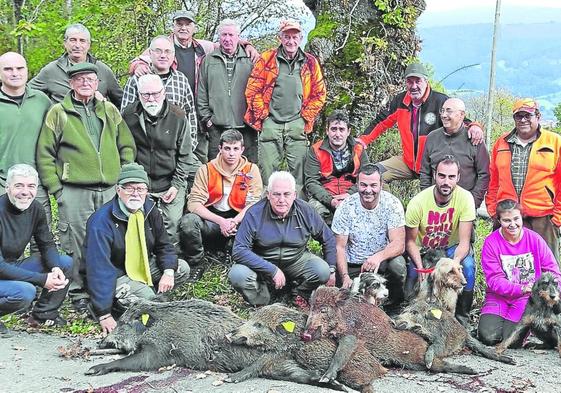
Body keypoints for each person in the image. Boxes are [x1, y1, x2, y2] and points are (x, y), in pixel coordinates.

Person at [36, 62, 136, 314]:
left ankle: (109, 291)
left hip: (111, 190)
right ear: (71, 83)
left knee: (113, 241)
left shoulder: (109, 110)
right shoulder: (58, 113)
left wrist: (123, 178)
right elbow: (45, 154)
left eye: (90, 79)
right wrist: (57, 189)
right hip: (75, 190)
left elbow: (126, 145)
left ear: (97, 83)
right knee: (78, 243)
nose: (85, 83)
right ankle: (79, 293)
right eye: (79, 79)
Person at [129, 11, 259, 163]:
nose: (183, 28)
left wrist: (247, 45)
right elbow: (142, 59)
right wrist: (137, 64)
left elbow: (228, 42)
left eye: (187, 24)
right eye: (179, 24)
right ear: (173, 27)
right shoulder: (164, 46)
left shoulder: (203, 47)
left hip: (194, 114)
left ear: (194, 28)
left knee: (197, 160)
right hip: (165, 112)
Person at [85, 163, 190, 335]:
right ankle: (116, 304)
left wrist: (168, 272)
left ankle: (137, 299)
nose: (136, 193)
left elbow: (164, 244)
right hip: (117, 274)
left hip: (143, 266)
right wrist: (103, 314)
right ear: (118, 190)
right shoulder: (101, 222)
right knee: (149, 301)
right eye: (129, 188)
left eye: (141, 189)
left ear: (147, 191)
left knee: (181, 268)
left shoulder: (149, 209)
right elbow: (98, 269)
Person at [358, 63, 483, 184]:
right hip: (408, 163)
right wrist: (363, 141)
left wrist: (474, 126)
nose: (414, 86)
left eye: (418, 81)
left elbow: (459, 119)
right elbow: (381, 121)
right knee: (373, 176)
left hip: (433, 165)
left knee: (435, 194)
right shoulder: (400, 101)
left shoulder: (439, 101)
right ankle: (392, 206)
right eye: (410, 81)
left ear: (426, 81)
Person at [229, 171, 336, 307]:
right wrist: (271, 269)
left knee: (322, 270)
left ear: (294, 195)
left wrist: (332, 268)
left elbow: (328, 238)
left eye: (286, 194)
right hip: (262, 261)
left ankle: (299, 293)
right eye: (276, 194)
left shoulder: (306, 211)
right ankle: (262, 299)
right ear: (268, 195)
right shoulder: (254, 213)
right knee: (238, 274)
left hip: (296, 259)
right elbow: (239, 250)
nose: (281, 200)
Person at [244, 20, 327, 193]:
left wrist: (304, 117)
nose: (291, 41)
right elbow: (253, 90)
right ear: (280, 38)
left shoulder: (310, 62)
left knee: (300, 175)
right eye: (287, 37)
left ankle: (298, 212)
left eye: (294, 37)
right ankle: (267, 211)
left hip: (297, 124)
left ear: (301, 38)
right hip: (271, 123)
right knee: (267, 174)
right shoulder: (267, 59)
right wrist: (264, 116)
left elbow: (320, 94)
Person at [122, 74, 194, 246]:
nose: (151, 98)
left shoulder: (178, 117)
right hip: (140, 182)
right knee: (138, 220)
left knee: (172, 223)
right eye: (146, 94)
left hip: (170, 181)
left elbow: (185, 156)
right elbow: (124, 152)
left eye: (155, 93)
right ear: (139, 94)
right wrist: (136, 185)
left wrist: (176, 186)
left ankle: (172, 260)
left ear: (164, 93)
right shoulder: (129, 115)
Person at [180, 130, 262, 281]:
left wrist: (234, 221)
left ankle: (233, 254)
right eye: (227, 149)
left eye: (236, 149)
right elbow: (193, 203)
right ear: (220, 149)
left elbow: (254, 203)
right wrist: (221, 222)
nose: (231, 153)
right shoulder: (206, 169)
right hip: (212, 220)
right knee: (188, 221)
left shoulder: (251, 170)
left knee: (256, 220)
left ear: (242, 150)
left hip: (237, 220)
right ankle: (196, 263)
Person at [486, 98, 561, 263]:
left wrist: (557, 217)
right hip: (508, 217)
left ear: (538, 116)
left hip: (543, 219)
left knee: (547, 273)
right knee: (507, 267)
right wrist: (493, 210)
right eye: (518, 116)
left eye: (528, 115)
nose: (523, 120)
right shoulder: (501, 143)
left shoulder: (555, 142)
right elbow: (493, 181)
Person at [0, 164, 72, 335]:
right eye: (19, 185)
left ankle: (44, 314)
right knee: (25, 292)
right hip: (2, 267)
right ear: (7, 187)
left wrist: (54, 268)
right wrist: (42, 279)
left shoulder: (36, 208)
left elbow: (46, 243)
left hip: (10, 265)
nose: (25, 192)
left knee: (64, 263)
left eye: (31, 186)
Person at [477, 199, 561, 345]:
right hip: (499, 296)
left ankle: (530, 330)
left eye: (516, 219)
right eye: (506, 220)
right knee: (488, 338)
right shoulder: (491, 242)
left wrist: (547, 291)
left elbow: (553, 271)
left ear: (521, 217)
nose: (512, 224)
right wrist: (519, 288)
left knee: (513, 341)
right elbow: (494, 279)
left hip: (527, 297)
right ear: (499, 220)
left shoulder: (535, 239)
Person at [405, 156, 476, 326]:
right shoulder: (418, 202)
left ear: (458, 177)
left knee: (467, 268)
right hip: (425, 250)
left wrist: (454, 265)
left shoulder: (465, 198)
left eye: (451, 177)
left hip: (452, 248)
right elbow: (410, 242)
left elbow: (464, 241)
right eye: (442, 176)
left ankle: (461, 318)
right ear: (434, 175)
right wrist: (421, 268)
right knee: (413, 277)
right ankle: (412, 313)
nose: (446, 182)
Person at [331, 164, 406, 313]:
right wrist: (345, 276)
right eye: (363, 185)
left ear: (381, 185)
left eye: (373, 185)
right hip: (353, 264)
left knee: (398, 266)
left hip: (381, 263)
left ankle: (393, 306)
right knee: (346, 304)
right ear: (357, 184)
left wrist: (378, 257)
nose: (368, 190)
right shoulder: (346, 207)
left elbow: (399, 244)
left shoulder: (392, 204)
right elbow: (339, 247)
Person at [121, 36, 198, 160]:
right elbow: (124, 117)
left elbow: (190, 114)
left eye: (167, 51)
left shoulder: (181, 80)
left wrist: (190, 146)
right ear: (150, 54)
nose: (163, 55)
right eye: (158, 51)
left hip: (175, 153)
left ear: (174, 55)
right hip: (142, 154)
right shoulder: (137, 79)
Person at [0, 52, 52, 217]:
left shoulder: (42, 101)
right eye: (8, 69)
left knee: (41, 236)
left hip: (35, 182)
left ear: (27, 71)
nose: (15, 73)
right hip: (2, 182)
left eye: (20, 68)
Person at [197, 19, 257, 162]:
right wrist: (207, 119)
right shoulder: (208, 60)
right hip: (217, 127)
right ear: (219, 37)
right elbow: (202, 91)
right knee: (217, 169)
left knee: (246, 170)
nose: (227, 39)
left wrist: (255, 118)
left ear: (238, 36)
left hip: (246, 126)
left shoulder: (251, 59)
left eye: (231, 35)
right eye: (224, 35)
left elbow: (261, 91)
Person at [29, 23, 122, 106]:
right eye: (73, 40)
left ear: (88, 45)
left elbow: (122, 103)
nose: (77, 45)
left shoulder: (103, 70)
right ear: (65, 43)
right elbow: (25, 93)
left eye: (82, 41)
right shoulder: (51, 71)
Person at [420, 98, 489, 208]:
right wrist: (427, 199)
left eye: (449, 111)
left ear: (461, 115)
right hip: (435, 205)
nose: (444, 115)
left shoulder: (474, 139)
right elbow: (425, 172)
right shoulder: (432, 138)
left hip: (465, 206)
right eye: (442, 111)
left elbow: (484, 174)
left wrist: (473, 202)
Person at [304, 110, 369, 223]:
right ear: (327, 131)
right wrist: (330, 201)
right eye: (333, 129)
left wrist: (350, 194)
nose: (337, 134)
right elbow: (311, 181)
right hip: (325, 195)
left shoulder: (358, 149)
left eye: (341, 129)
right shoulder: (315, 150)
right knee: (314, 212)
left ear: (348, 131)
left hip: (353, 194)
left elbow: (367, 176)